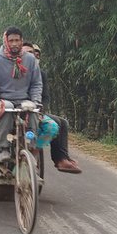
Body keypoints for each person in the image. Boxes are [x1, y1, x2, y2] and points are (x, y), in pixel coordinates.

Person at [0, 27, 43, 165]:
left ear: (22, 41)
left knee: (32, 111)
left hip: (25, 99)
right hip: (5, 100)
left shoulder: (30, 59)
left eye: (17, 40)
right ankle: (4, 148)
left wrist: (36, 101)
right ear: (6, 42)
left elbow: (36, 84)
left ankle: (31, 145)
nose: (14, 43)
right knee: (6, 108)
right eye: (11, 41)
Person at [22, 43, 82, 174]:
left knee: (62, 123)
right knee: (57, 123)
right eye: (28, 53)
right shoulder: (15, 71)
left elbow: (45, 97)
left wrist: (40, 111)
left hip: (35, 110)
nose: (32, 57)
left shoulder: (40, 74)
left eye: (34, 54)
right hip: (18, 110)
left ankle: (61, 158)